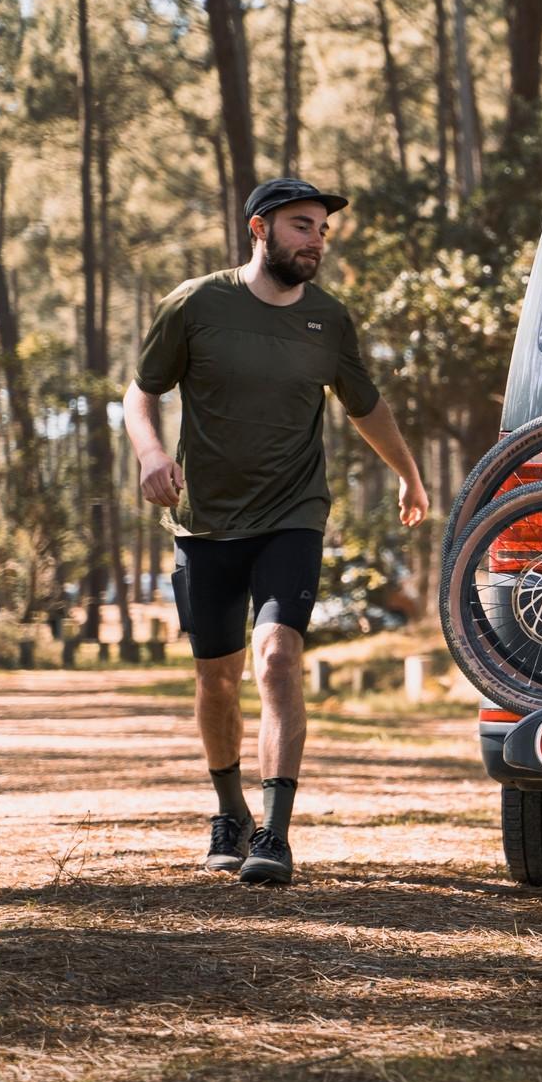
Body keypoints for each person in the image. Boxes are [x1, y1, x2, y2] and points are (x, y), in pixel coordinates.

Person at [124, 178, 430, 885]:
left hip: (293, 512)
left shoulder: (328, 319)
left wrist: (411, 476)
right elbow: (141, 392)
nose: (316, 240)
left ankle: (276, 835)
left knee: (278, 660)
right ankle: (230, 811)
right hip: (204, 523)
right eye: (301, 226)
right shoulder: (197, 305)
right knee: (217, 680)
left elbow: (367, 406)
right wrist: (149, 455)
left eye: (321, 228)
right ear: (260, 229)